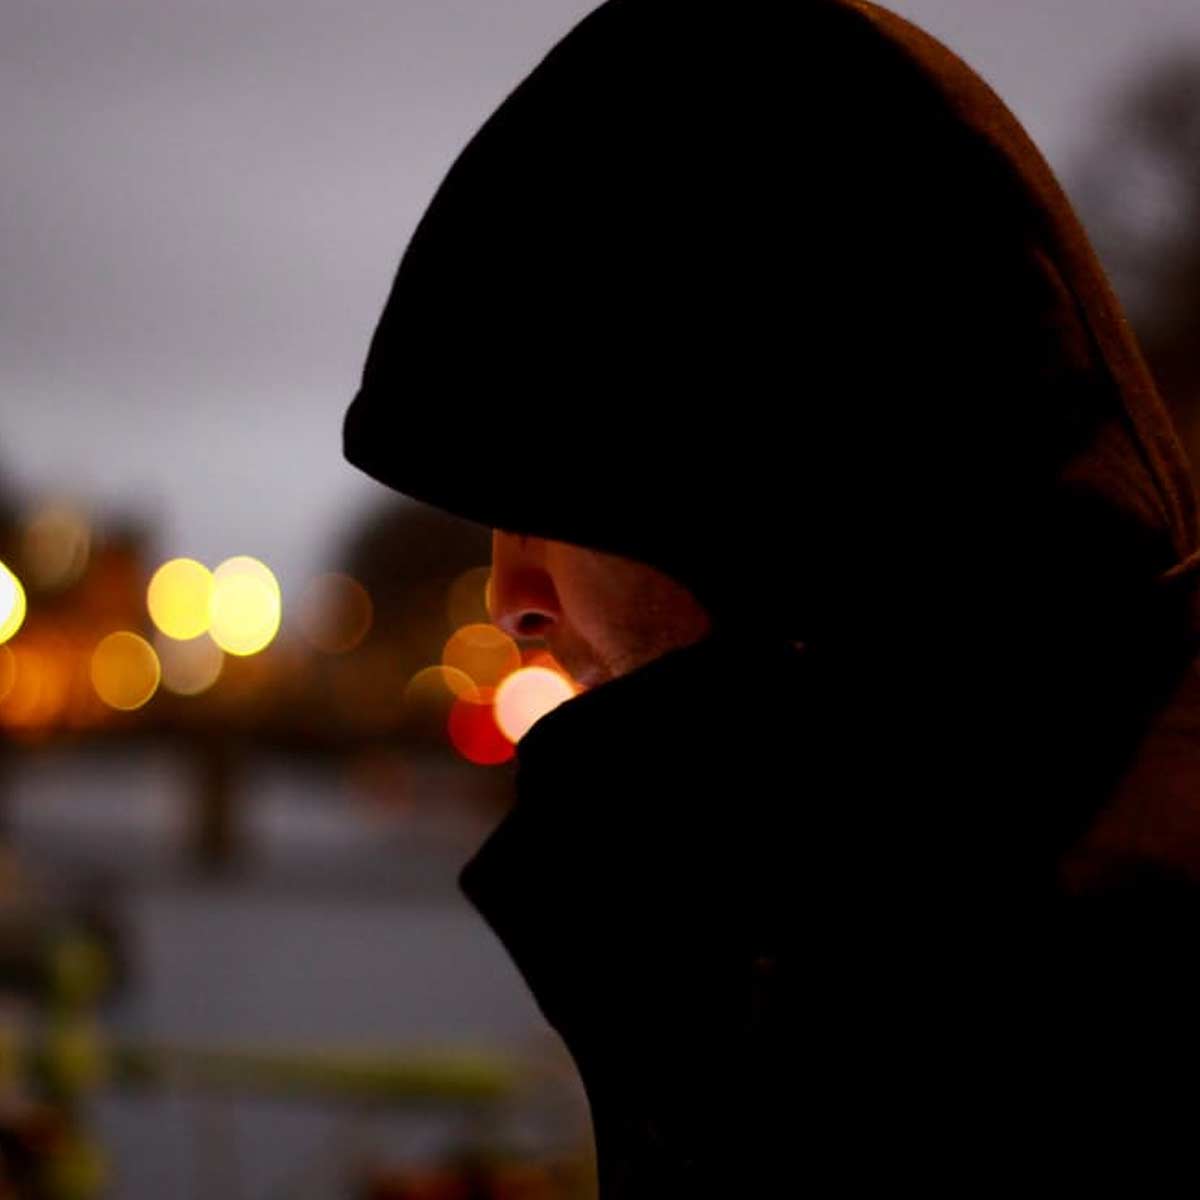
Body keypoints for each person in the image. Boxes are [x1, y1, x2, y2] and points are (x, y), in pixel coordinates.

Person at [344, 0, 1200, 1191]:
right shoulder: (954, 945)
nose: (510, 597)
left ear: (759, 464)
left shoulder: (1011, 1043)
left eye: (546, 500)